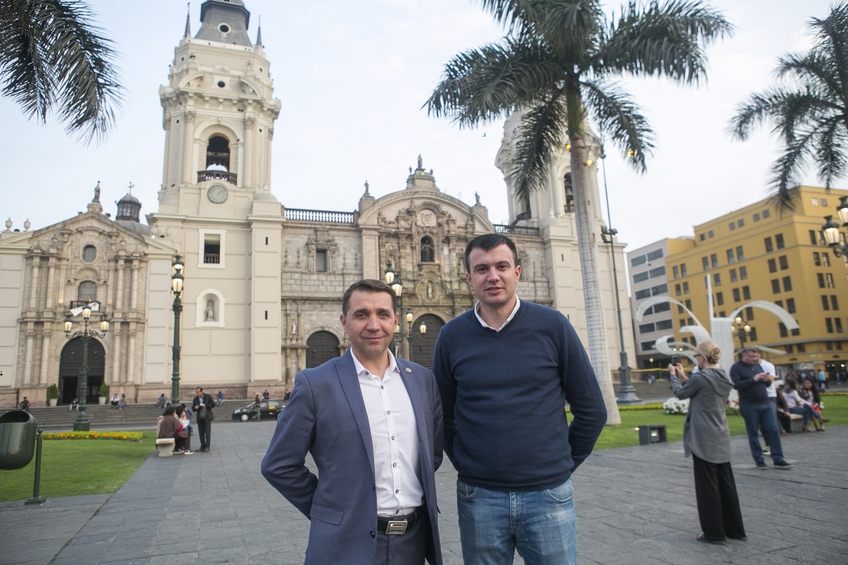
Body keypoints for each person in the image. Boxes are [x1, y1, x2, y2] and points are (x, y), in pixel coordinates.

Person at [432, 234, 606, 565]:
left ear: (517, 272)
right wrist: (468, 463)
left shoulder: (553, 325)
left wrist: (560, 464)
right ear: (468, 277)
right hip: (479, 497)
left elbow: (592, 410)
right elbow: (442, 414)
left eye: (502, 266)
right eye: (481, 269)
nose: (493, 276)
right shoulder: (451, 336)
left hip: (548, 495)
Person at [262, 279, 443, 565]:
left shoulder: (423, 380)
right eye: (361, 315)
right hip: (343, 545)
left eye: (383, 314)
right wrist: (331, 511)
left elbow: (431, 456)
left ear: (396, 321)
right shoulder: (315, 384)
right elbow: (279, 465)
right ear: (344, 322)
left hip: (412, 544)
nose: (373, 325)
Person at [669, 341, 746, 545]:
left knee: (707, 487)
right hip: (720, 433)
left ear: (702, 357)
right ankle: (735, 529)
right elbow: (701, 388)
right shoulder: (722, 376)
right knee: (726, 484)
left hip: (703, 436)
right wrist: (683, 376)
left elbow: (681, 393)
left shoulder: (700, 378)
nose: (696, 360)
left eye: (697, 356)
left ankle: (714, 532)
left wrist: (673, 376)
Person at [730, 346, 792, 470]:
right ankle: (759, 459)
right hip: (749, 404)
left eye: (757, 356)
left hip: (765, 402)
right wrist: (753, 379)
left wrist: (765, 379)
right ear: (745, 355)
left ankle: (778, 458)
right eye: (752, 356)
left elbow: (768, 384)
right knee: (753, 432)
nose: (755, 359)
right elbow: (737, 385)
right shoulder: (736, 368)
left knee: (773, 430)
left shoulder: (757, 366)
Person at [192, 387, 214, 452]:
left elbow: (213, 404)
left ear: (202, 391)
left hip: (207, 417)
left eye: (198, 392)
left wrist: (205, 406)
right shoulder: (195, 399)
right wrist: (195, 407)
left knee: (207, 432)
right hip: (199, 417)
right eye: (196, 392)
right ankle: (202, 445)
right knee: (201, 433)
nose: (197, 394)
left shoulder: (208, 397)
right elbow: (193, 408)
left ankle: (207, 446)